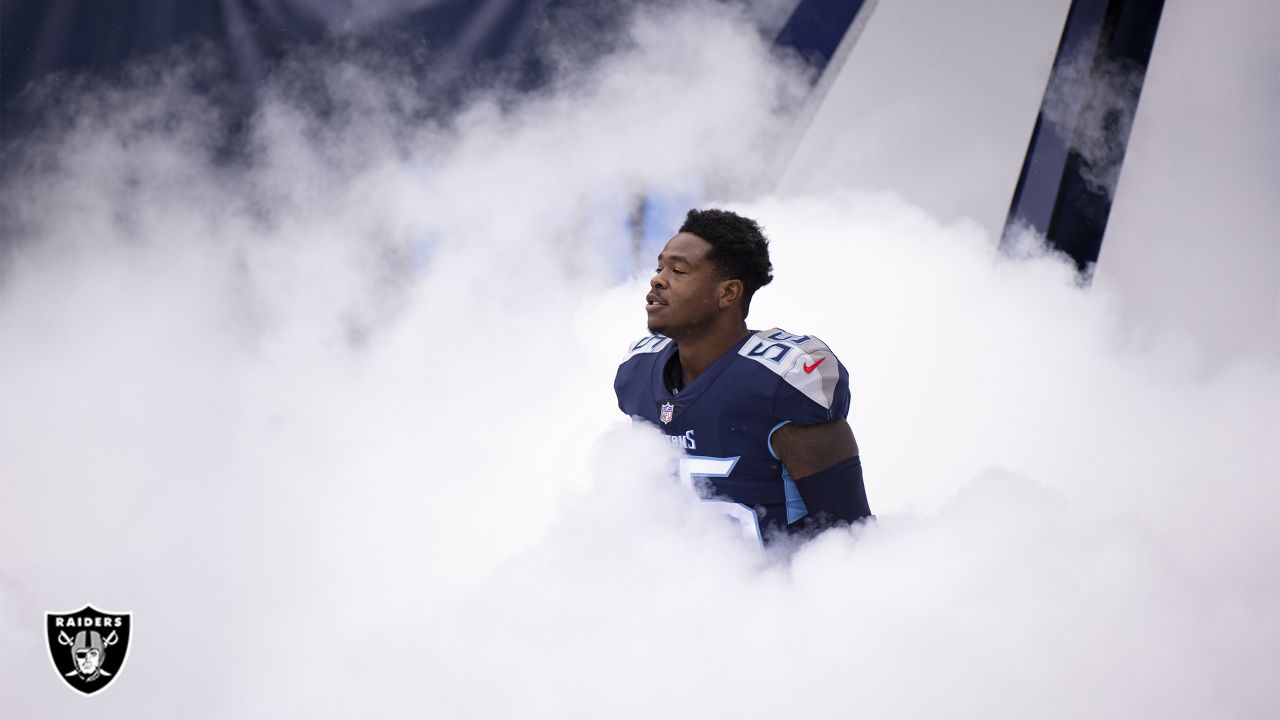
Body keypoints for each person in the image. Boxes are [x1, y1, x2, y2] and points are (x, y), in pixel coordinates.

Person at [614, 208, 871, 546]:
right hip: (681, 589)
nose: (658, 279)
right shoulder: (638, 371)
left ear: (728, 293)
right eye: (659, 267)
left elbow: (854, 543)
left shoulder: (779, 385)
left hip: (780, 592)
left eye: (678, 270)